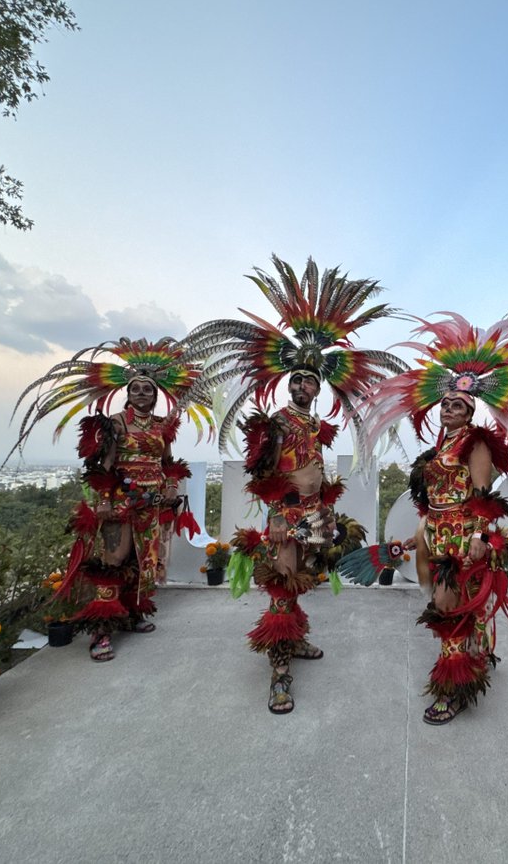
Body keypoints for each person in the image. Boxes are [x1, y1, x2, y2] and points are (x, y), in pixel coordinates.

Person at [182, 256, 404, 714]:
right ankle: (279, 672)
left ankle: (296, 639)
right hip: (286, 516)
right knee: (283, 585)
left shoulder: (317, 425)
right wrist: (279, 516)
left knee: (304, 579)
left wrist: (326, 511)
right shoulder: (277, 422)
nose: (303, 385)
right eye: (297, 379)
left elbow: (314, 471)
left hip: (315, 515)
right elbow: (265, 476)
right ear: (289, 384)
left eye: (310, 380)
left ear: (318, 389)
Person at [356, 314, 508, 724]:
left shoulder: (476, 443)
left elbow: (482, 494)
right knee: (460, 604)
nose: (448, 409)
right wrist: (417, 537)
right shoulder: (439, 448)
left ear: (469, 411)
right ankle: (478, 656)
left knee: (448, 607)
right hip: (437, 535)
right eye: (445, 404)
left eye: (457, 405)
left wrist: (480, 535)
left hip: (464, 538)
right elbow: (432, 502)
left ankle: (453, 689)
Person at [4, 337, 212, 661]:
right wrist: (103, 499)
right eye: (136, 389)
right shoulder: (116, 422)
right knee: (114, 559)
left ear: (156, 395)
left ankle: (131, 614)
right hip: (121, 501)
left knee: (144, 562)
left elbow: (168, 462)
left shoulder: (164, 426)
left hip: (153, 503)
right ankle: (101, 632)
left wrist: (172, 486)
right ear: (127, 393)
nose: (141, 394)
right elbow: (106, 464)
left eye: (147, 390)